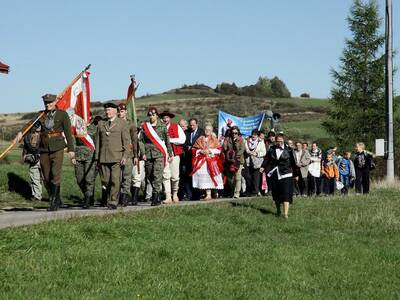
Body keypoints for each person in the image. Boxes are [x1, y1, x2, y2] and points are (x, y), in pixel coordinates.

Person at [38, 94, 76, 211]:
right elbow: (29, 125)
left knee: (55, 174)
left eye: (50, 102)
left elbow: (68, 133)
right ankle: (57, 198)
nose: (47, 104)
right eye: (46, 103)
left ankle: (53, 202)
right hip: (44, 148)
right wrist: (20, 133)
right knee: (46, 176)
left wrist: (71, 149)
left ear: (55, 102)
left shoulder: (62, 114)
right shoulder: (41, 114)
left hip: (58, 147)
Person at [94, 102, 130, 209]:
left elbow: (126, 142)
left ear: (115, 111)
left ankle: (113, 201)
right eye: (106, 110)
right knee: (105, 181)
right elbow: (98, 142)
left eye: (109, 110)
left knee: (115, 180)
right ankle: (110, 197)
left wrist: (125, 156)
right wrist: (97, 158)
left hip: (116, 157)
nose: (107, 112)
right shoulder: (101, 123)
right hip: (103, 157)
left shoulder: (122, 123)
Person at [139, 107, 173, 206]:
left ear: (157, 115)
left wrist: (170, 154)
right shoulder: (145, 126)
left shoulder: (162, 126)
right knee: (149, 175)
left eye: (153, 115)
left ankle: (156, 196)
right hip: (148, 154)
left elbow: (167, 141)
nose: (151, 116)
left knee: (157, 175)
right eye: (149, 115)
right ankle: (156, 192)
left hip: (159, 154)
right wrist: (143, 152)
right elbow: (140, 140)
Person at [261, 133, 296, 218]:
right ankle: (278, 211)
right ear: (275, 141)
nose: (279, 142)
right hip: (275, 173)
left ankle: (285, 214)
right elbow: (267, 159)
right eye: (277, 141)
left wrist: (296, 175)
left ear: (283, 140)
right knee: (276, 193)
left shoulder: (289, 150)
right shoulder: (271, 149)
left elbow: (293, 163)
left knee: (286, 194)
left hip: (286, 174)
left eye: (281, 140)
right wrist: (263, 166)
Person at [159, 111, 186, 204]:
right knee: (165, 176)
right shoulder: (158, 128)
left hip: (174, 154)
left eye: (166, 117)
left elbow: (182, 139)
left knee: (174, 177)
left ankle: (175, 193)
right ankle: (167, 196)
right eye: (163, 118)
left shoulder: (176, 126)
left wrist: (170, 140)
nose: (165, 119)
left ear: (169, 118)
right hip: (163, 155)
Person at [191, 125, 224, 199]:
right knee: (204, 177)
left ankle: (214, 192)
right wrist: (200, 151)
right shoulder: (200, 139)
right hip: (202, 161)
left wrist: (210, 150)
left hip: (212, 161)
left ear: (212, 131)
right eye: (206, 129)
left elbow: (219, 150)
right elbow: (194, 149)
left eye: (209, 129)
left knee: (212, 176)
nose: (207, 131)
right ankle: (207, 194)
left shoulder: (214, 139)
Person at [73, 112, 97, 208]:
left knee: (89, 179)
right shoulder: (77, 128)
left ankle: (88, 199)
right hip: (78, 155)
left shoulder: (94, 128)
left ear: (90, 117)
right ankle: (88, 195)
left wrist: (97, 156)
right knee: (79, 179)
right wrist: (73, 154)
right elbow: (73, 141)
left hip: (90, 156)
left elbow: (98, 142)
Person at [117, 103, 139, 206]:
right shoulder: (114, 123)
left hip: (129, 154)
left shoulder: (131, 124)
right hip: (116, 153)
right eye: (118, 111)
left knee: (126, 177)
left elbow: (134, 141)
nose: (120, 113)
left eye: (122, 111)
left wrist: (135, 156)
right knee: (116, 177)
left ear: (125, 112)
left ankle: (125, 197)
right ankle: (116, 197)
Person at [184, 118, 204, 200]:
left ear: (197, 124)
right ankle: (190, 194)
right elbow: (183, 143)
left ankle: (198, 194)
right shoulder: (186, 132)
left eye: (193, 125)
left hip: (198, 158)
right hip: (188, 157)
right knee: (188, 176)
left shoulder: (201, 132)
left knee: (197, 175)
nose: (192, 127)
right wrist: (187, 147)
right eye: (191, 125)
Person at [223, 126, 245, 198]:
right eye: (233, 133)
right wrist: (225, 145)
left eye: (236, 133)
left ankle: (237, 193)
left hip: (238, 160)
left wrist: (235, 155)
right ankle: (231, 191)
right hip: (229, 160)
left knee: (237, 177)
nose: (234, 134)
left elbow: (242, 149)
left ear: (238, 133)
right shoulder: (227, 139)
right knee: (230, 178)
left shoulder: (241, 140)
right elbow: (225, 148)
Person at [22, 123, 42, 201]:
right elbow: (26, 146)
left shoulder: (45, 134)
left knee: (46, 178)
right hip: (33, 159)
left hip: (43, 158)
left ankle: (53, 196)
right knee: (34, 177)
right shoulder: (28, 135)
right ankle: (36, 196)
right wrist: (24, 155)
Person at [244, 129, 266, 196]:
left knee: (256, 178)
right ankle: (248, 191)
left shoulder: (261, 142)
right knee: (248, 177)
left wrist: (256, 154)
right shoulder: (247, 141)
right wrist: (248, 151)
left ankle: (255, 192)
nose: (254, 136)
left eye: (255, 134)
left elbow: (264, 152)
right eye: (253, 134)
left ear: (257, 136)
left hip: (257, 163)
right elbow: (245, 149)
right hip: (248, 162)